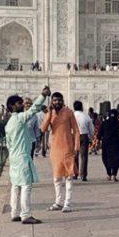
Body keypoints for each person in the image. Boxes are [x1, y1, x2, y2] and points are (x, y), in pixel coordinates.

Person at [5, 87, 50, 224]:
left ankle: (14, 213)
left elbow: (9, 143)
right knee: (26, 185)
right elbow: (33, 110)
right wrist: (42, 95)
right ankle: (25, 215)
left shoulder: (9, 123)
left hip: (14, 156)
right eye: (20, 103)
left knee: (15, 186)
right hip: (22, 156)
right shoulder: (19, 119)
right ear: (13, 106)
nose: (22, 105)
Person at [41, 93, 80, 212]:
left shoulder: (69, 112)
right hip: (55, 149)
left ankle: (67, 203)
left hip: (68, 148)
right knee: (57, 178)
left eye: (59, 100)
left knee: (69, 177)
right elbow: (43, 128)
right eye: (54, 100)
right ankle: (58, 202)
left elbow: (76, 130)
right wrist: (49, 114)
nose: (57, 102)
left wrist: (76, 146)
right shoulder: (50, 113)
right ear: (51, 102)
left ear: (62, 101)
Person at [98, 109, 119, 180]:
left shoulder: (104, 122)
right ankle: (114, 175)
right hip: (116, 144)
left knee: (106, 159)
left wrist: (99, 140)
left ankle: (109, 174)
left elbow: (100, 133)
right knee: (116, 159)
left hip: (106, 144)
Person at [73, 100, 94, 181]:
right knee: (84, 156)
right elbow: (91, 128)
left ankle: (75, 173)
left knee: (75, 155)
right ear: (81, 107)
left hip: (74, 136)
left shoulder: (72, 115)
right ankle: (83, 175)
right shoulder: (86, 116)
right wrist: (91, 137)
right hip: (84, 136)